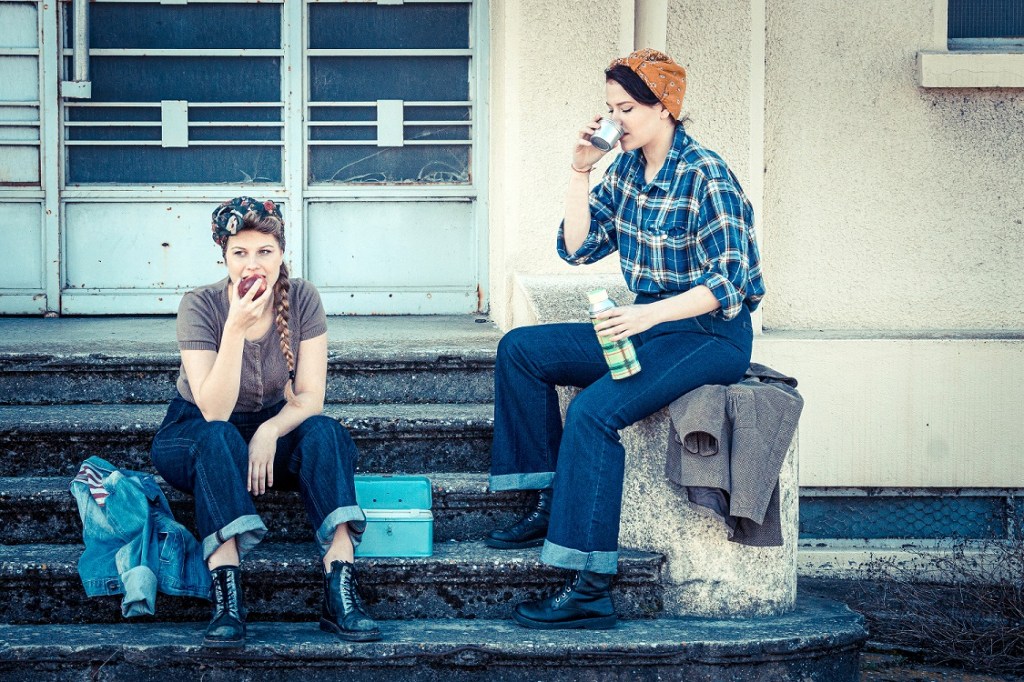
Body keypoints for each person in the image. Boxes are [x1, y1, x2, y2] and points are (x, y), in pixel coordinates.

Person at [485, 49, 766, 630]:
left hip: (709, 332)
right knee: (521, 350)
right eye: (611, 108)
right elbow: (578, 246)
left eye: (629, 108)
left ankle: (590, 588)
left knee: (594, 412)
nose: (617, 121)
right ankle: (547, 500)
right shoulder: (627, 172)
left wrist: (644, 318)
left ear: (666, 107)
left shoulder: (705, 174)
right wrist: (580, 170)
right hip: (651, 323)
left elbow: (727, 281)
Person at [150, 197, 380, 647]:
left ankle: (340, 589)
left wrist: (270, 431)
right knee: (218, 437)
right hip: (196, 433)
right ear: (224, 256)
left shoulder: (303, 299)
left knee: (327, 433)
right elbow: (214, 410)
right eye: (240, 253)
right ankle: (228, 595)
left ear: (281, 254)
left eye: (264, 252)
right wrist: (235, 327)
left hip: (271, 432)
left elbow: (311, 397)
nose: (252, 264)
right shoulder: (200, 305)